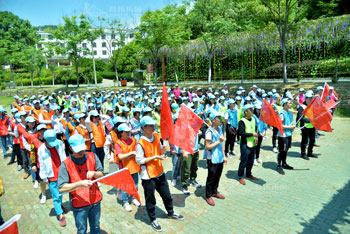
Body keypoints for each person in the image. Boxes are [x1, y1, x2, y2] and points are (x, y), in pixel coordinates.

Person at [136, 116, 184, 232]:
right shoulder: (140, 143)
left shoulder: (156, 136)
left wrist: (163, 151)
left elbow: (159, 149)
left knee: (167, 195)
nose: (153, 127)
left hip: (159, 171)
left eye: (153, 125)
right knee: (150, 199)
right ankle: (153, 219)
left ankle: (171, 212)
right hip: (148, 176)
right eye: (150, 125)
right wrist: (155, 157)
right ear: (143, 127)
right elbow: (139, 161)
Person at [58, 134, 104, 234]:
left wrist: (95, 174)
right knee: (81, 229)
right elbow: (61, 188)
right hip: (79, 204)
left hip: (95, 200)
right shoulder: (66, 163)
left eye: (82, 149)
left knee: (96, 227)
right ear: (70, 148)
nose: (81, 152)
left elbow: (101, 174)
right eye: (77, 150)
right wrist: (79, 184)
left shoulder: (92, 156)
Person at [38, 129, 67, 227]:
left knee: (61, 192)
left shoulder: (59, 143)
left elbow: (64, 156)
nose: (52, 145)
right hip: (51, 176)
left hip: (61, 173)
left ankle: (60, 206)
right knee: (55, 196)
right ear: (45, 140)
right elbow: (41, 165)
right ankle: (60, 215)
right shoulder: (41, 149)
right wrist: (44, 178)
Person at [203, 110, 227, 206]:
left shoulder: (220, 129)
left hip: (220, 157)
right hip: (212, 158)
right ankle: (208, 195)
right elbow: (207, 147)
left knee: (218, 176)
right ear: (213, 120)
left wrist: (224, 156)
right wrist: (218, 141)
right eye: (219, 118)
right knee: (211, 177)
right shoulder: (209, 132)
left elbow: (221, 144)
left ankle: (214, 191)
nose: (221, 120)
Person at [115, 123, 141, 212]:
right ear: (121, 133)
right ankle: (125, 202)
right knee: (125, 186)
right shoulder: (118, 143)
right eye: (126, 132)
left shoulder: (133, 140)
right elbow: (120, 157)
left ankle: (133, 198)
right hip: (125, 168)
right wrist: (131, 154)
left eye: (128, 131)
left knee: (135, 185)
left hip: (134, 167)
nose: (128, 133)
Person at [237, 104, 259, 185]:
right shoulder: (242, 121)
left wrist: (256, 137)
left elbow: (255, 130)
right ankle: (240, 176)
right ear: (246, 112)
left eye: (252, 109)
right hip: (245, 144)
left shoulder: (253, 119)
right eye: (250, 110)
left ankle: (249, 174)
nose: (252, 111)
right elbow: (241, 133)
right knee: (244, 161)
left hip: (253, 143)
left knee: (251, 160)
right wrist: (252, 134)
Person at [276, 99, 295, 175]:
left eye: (291, 103)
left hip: (288, 134)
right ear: (284, 104)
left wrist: (292, 128)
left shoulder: (290, 113)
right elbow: (280, 125)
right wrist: (290, 127)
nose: (291, 104)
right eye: (289, 103)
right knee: (282, 150)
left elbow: (290, 123)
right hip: (282, 135)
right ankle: (279, 165)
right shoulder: (281, 113)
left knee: (286, 150)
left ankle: (284, 163)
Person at [297, 92, 316, 160]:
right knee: (304, 141)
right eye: (310, 98)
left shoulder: (313, 106)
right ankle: (303, 153)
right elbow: (300, 118)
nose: (311, 99)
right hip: (304, 127)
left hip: (312, 126)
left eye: (311, 98)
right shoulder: (302, 107)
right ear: (306, 98)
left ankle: (310, 152)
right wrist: (308, 120)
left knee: (312, 140)